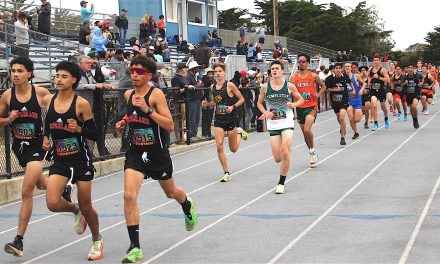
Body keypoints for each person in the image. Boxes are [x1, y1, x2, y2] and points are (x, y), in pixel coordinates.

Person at [114, 56, 197, 263]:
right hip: (135, 154)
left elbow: (169, 125)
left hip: (157, 153)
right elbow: (132, 115)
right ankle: (135, 247)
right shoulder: (128, 94)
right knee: (128, 195)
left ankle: (186, 204)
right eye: (132, 70)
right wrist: (123, 121)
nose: (134, 74)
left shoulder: (156, 94)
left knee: (171, 192)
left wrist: (148, 110)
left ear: (149, 75)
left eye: (139, 71)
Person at [42, 61, 103, 261]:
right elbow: (48, 123)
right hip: (59, 158)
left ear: (74, 80)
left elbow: (95, 133)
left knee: (87, 204)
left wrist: (79, 130)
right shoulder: (49, 100)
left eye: (64, 76)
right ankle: (75, 210)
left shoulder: (81, 104)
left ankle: (96, 239)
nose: (58, 79)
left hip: (80, 160)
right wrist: (45, 137)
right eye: (57, 75)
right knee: (52, 202)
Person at [0, 58, 53, 257]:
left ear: (29, 73)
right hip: (19, 147)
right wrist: (9, 119)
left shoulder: (41, 93)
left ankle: (18, 241)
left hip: (38, 146)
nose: (15, 74)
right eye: (13, 71)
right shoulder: (7, 95)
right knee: (41, 185)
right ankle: (63, 188)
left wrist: (49, 136)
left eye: (20, 71)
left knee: (26, 190)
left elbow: (57, 111)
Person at [257, 60, 304, 194]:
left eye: (277, 68)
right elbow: (259, 103)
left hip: (287, 122)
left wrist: (293, 105)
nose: (275, 70)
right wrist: (265, 112)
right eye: (272, 69)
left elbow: (301, 100)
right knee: (277, 158)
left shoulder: (289, 86)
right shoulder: (265, 87)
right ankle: (284, 158)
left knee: (285, 150)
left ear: (282, 71)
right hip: (273, 124)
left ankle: (281, 182)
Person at [202, 62, 248, 182]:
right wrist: (207, 104)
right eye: (215, 72)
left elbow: (242, 99)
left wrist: (233, 107)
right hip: (218, 120)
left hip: (231, 119)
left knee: (233, 149)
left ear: (224, 72)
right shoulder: (212, 87)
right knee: (219, 145)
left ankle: (239, 132)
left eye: (219, 71)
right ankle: (226, 172)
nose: (217, 73)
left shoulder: (230, 85)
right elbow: (215, 103)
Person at [290, 54, 326, 167]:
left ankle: (312, 152)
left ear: (308, 63)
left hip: (311, 106)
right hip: (300, 108)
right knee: (305, 134)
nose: (301, 63)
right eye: (299, 61)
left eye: (303, 61)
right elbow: (289, 91)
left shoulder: (313, 76)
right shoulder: (293, 78)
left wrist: (318, 94)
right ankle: (312, 152)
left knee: (306, 130)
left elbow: (323, 86)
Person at [325, 63, 353, 145]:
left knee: (342, 117)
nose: (337, 70)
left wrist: (353, 89)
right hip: (335, 101)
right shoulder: (329, 79)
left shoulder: (345, 76)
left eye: (339, 68)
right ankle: (343, 127)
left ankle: (342, 137)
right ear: (333, 69)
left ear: (342, 69)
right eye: (336, 68)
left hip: (344, 100)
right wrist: (334, 90)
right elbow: (327, 89)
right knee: (339, 118)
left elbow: (350, 83)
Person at [368, 54, 390, 131]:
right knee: (373, 104)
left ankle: (386, 118)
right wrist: (369, 82)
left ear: (380, 61)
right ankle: (375, 123)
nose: (376, 62)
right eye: (374, 60)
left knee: (383, 107)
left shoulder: (383, 70)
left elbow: (388, 80)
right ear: (373, 61)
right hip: (373, 90)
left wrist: (379, 77)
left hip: (381, 91)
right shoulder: (370, 69)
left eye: (377, 60)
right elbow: (369, 77)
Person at [345, 62, 366, 140]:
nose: (347, 67)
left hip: (357, 100)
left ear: (351, 68)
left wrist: (361, 90)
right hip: (348, 101)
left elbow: (364, 84)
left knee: (357, 119)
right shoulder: (343, 77)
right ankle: (356, 132)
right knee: (351, 118)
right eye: (346, 66)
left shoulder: (356, 76)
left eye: (348, 66)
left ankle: (361, 113)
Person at [185, 61, 204, 140]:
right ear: (193, 68)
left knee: (196, 117)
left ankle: (194, 134)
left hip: (196, 99)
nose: (198, 69)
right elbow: (188, 87)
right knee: (192, 117)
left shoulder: (194, 76)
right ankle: (192, 135)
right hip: (192, 99)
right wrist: (198, 85)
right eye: (197, 67)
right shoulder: (188, 76)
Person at [402, 64, 421, 128]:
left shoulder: (417, 76)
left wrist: (420, 84)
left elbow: (421, 82)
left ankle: (416, 120)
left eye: (411, 67)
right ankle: (414, 119)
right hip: (408, 95)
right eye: (409, 67)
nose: (410, 69)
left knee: (414, 106)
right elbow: (401, 85)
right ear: (407, 69)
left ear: (413, 68)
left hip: (416, 93)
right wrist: (404, 83)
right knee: (411, 108)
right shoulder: (404, 77)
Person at [201, 68, 216, 138]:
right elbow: (207, 83)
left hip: (211, 99)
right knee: (205, 116)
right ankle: (205, 133)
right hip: (205, 98)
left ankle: (209, 132)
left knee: (210, 116)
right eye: (209, 72)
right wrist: (211, 82)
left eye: (212, 73)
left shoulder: (213, 79)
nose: (211, 74)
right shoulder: (204, 78)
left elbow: (215, 84)